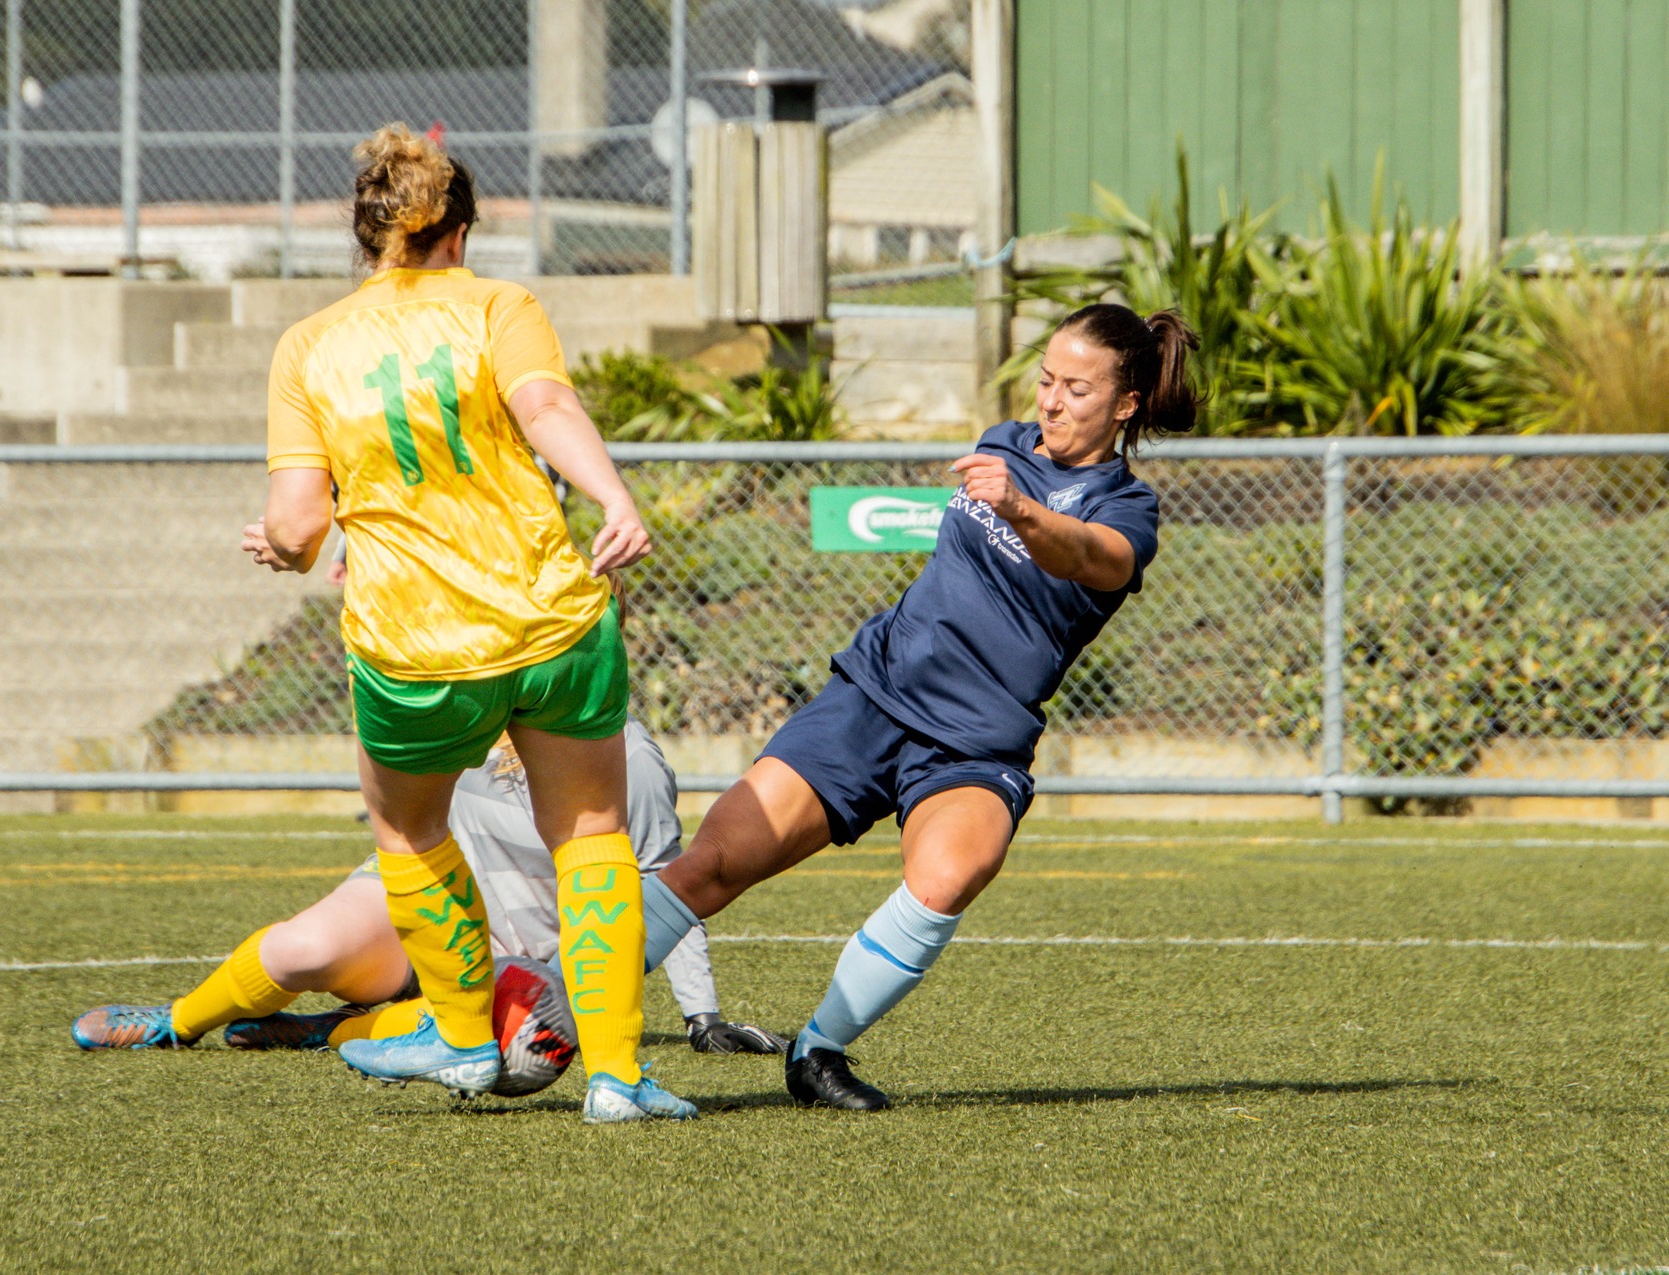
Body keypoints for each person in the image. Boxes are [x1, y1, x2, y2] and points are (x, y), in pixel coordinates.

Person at [635, 304, 1199, 1110]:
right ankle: (544, 1016)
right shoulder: (1003, 442)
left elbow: (1089, 557)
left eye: (1077, 388)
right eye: (1046, 379)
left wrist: (1022, 510)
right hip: (875, 694)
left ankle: (818, 1050)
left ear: (1127, 402)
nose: (1051, 400)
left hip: (975, 740)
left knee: (952, 873)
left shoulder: (1126, 510)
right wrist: (1009, 494)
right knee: (713, 863)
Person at [241, 123, 687, 1123]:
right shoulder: (502, 305)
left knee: (408, 831)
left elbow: (301, 525)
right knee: (591, 839)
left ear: (365, 235)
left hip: (414, 644)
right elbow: (546, 407)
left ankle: (457, 1034)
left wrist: (279, 546)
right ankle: (617, 1076)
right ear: (462, 225)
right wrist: (613, 498)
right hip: (549, 621)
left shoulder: (307, 347)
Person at [69, 722, 790, 1080]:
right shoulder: (464, 715)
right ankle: (175, 1022)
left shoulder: (627, 758)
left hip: (519, 969)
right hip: (422, 913)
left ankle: (333, 1031)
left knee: (510, 1050)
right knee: (301, 948)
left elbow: (670, 881)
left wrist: (702, 1015)